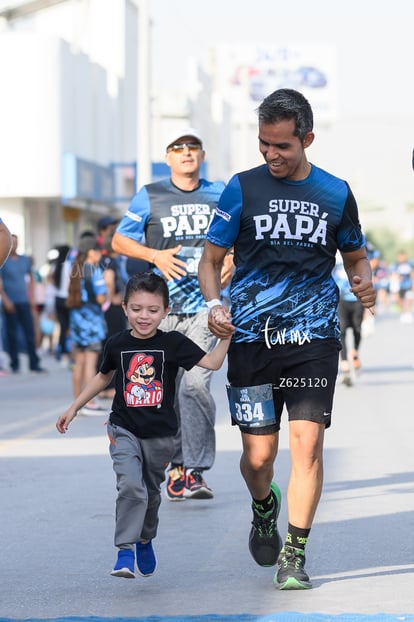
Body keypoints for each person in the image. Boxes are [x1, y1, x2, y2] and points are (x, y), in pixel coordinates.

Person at [198, 88, 376, 590]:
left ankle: (294, 553)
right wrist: (215, 306)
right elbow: (210, 261)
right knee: (258, 458)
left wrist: (362, 279)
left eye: (282, 146)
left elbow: (355, 256)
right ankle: (264, 507)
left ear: (307, 139)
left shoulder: (336, 192)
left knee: (308, 445)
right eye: (264, 144)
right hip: (252, 339)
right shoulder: (241, 188)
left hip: (314, 337)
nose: (272, 155)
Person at [56, 271, 230, 579]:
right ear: (124, 308)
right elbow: (103, 377)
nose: (144, 316)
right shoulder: (116, 344)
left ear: (166, 311)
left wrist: (226, 336)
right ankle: (124, 551)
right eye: (136, 309)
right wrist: (74, 407)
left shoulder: (174, 343)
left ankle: (145, 538)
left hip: (161, 436)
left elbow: (212, 364)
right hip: (123, 429)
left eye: (152, 310)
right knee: (131, 488)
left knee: (150, 494)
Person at [112, 127, 231, 501]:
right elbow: (119, 240)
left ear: (201, 155)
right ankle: (175, 464)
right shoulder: (151, 195)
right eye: (178, 149)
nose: (186, 153)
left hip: (204, 306)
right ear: (168, 158)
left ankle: (194, 470)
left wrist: (233, 258)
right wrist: (154, 256)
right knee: (167, 389)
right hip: (159, 310)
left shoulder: (220, 193)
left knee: (195, 384)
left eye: (193, 147)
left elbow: (241, 235)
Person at [66, 235, 108, 415]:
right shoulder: (94, 270)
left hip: (77, 319)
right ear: (91, 252)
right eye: (98, 251)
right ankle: (90, 401)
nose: (100, 254)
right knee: (91, 362)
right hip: (91, 320)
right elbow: (100, 297)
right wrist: (105, 297)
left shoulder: (76, 268)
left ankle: (78, 401)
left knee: (79, 362)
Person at [0, 234, 47, 373]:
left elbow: (31, 278)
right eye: (11, 242)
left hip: (24, 301)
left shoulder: (25, 260)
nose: (13, 245)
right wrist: (6, 299)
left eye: (15, 242)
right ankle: (15, 364)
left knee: (29, 332)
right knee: (12, 334)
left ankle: (34, 363)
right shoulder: (4, 260)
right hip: (10, 302)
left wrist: (31, 297)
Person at [333, 261, 365, 386]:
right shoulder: (331, 250)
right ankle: (345, 363)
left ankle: (355, 353)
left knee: (357, 329)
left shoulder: (354, 248)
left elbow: (368, 264)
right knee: (342, 329)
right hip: (342, 300)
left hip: (357, 299)